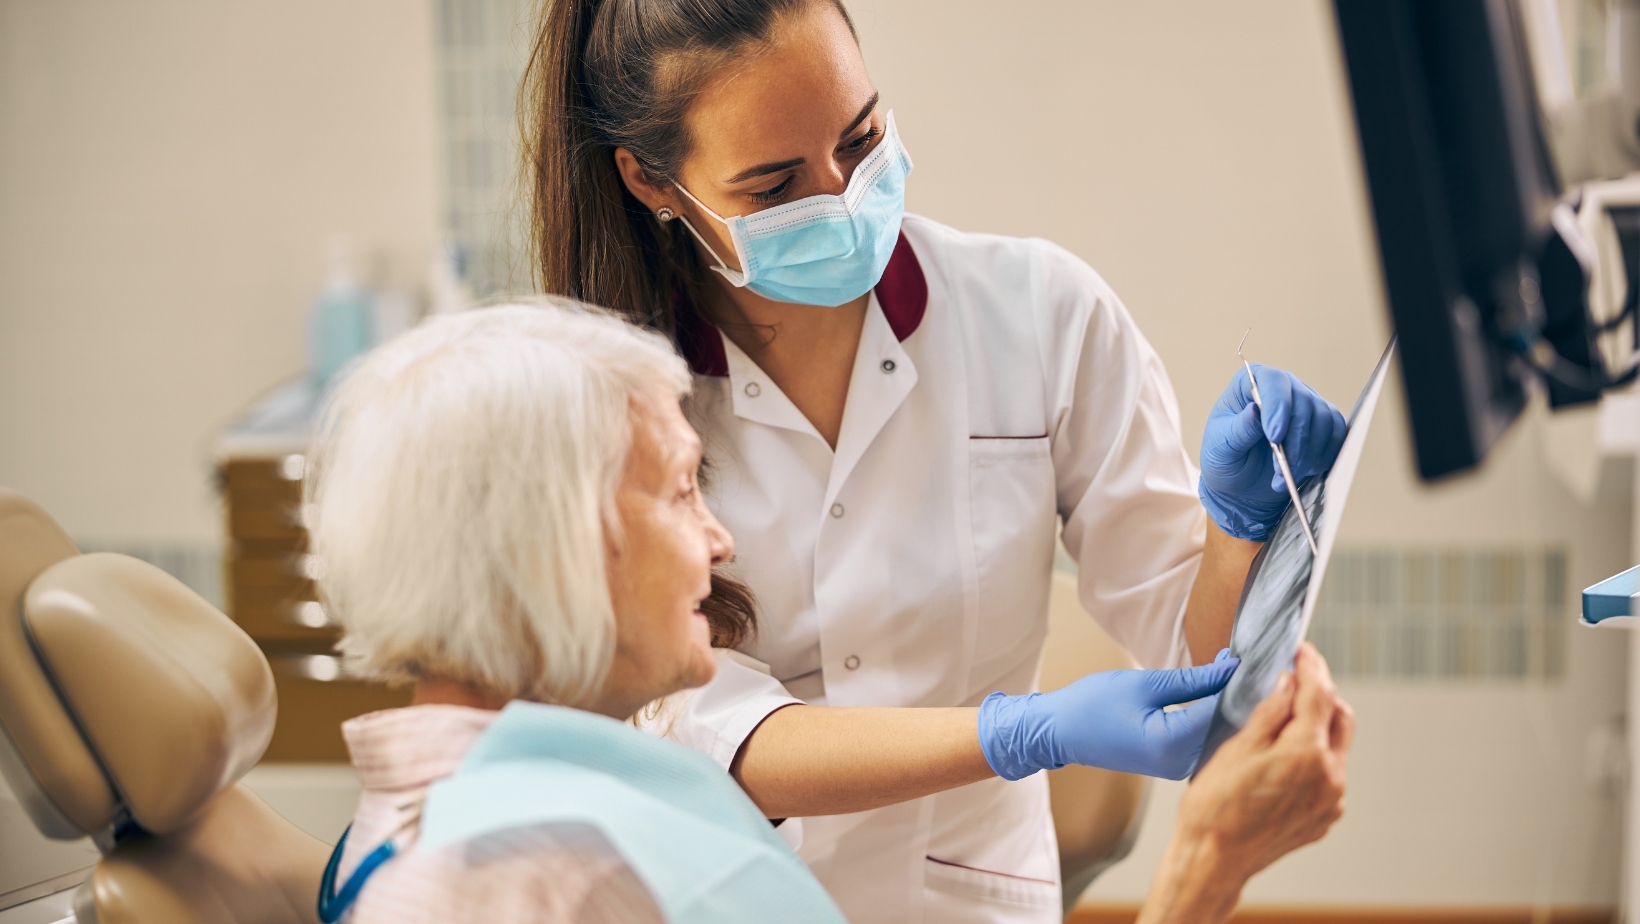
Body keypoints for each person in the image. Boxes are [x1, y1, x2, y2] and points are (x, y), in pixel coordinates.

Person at [523, 0, 1348, 919]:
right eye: (774, 187)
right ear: (650, 182)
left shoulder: (1039, 316)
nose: (841, 196)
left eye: (861, 137)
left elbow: (1199, 661)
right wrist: (1017, 734)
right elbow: (707, 732)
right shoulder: (606, 408)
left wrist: (1237, 532)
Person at [306, 302, 1352, 924]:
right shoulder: (521, 879)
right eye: (680, 490)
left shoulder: (510, 810)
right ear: (549, 547)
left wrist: (1231, 539)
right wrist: (1203, 871)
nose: (718, 543)